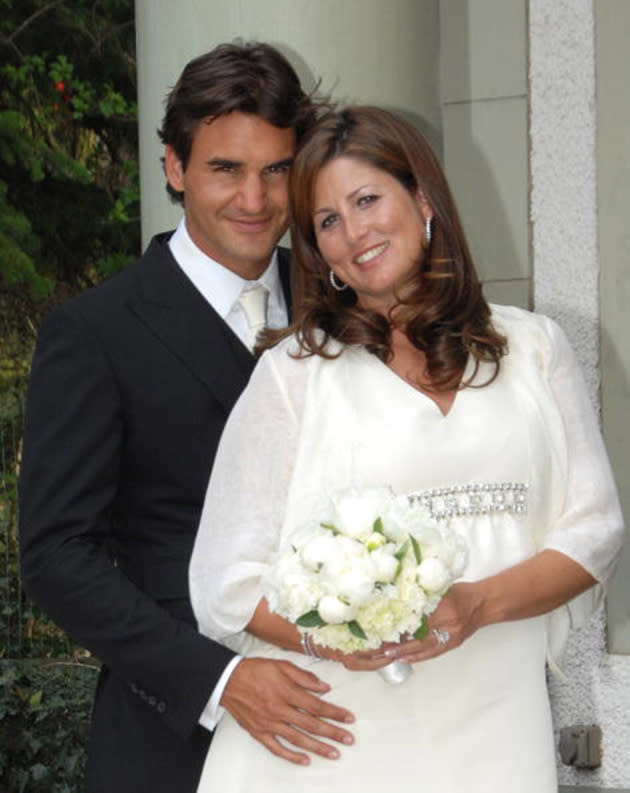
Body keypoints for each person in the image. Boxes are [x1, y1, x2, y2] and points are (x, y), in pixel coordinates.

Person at [189, 106, 625, 792]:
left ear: (422, 200)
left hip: (498, 728)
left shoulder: (535, 349)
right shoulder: (297, 374)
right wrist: (333, 635)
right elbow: (223, 584)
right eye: (327, 220)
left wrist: (479, 603)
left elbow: (595, 531)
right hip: (337, 736)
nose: (352, 232)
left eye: (367, 200)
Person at [18, 43, 356, 793]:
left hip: (356, 716)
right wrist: (221, 676)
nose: (256, 199)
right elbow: (55, 555)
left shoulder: (345, 302)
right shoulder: (95, 331)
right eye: (225, 169)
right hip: (176, 735)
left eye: (276, 169)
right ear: (174, 168)